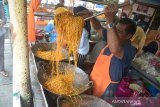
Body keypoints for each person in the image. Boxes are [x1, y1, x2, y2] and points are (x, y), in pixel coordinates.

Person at [89, 4, 137, 99]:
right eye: (116, 28)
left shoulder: (130, 50)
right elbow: (98, 28)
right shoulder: (113, 35)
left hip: (107, 90)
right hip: (93, 81)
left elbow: (115, 49)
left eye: (119, 31)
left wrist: (110, 20)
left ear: (128, 36)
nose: (115, 32)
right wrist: (90, 16)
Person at [0, 2, 8, 77]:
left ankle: (1, 69)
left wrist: (2, 21)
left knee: (1, 52)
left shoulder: (0, 4)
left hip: (0, 33)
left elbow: (4, 18)